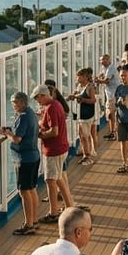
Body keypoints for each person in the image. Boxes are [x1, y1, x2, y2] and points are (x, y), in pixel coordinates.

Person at [34, 84, 80, 224]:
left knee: (50, 181)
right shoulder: (56, 105)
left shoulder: (52, 108)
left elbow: (54, 131)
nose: (37, 101)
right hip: (61, 148)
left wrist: (39, 134)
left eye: (38, 98)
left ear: (43, 95)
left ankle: (53, 212)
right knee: (59, 178)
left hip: (54, 150)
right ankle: (69, 205)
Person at [0, 91, 41, 234]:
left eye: (15, 102)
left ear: (23, 102)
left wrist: (6, 134)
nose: (13, 105)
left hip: (25, 159)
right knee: (32, 188)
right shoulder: (30, 113)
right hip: (34, 156)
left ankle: (28, 225)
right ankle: (34, 221)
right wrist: (10, 131)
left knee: (24, 191)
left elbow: (17, 139)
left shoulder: (23, 117)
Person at [70, 68, 99, 164]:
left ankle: (88, 156)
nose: (77, 78)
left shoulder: (89, 87)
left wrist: (82, 99)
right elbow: (76, 94)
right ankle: (85, 153)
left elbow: (93, 100)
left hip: (87, 116)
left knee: (85, 136)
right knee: (81, 135)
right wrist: (73, 96)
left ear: (85, 77)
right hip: (80, 115)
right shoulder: (79, 86)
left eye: (79, 76)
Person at [96, 53, 120, 140]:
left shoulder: (111, 69)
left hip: (113, 95)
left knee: (111, 114)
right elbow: (101, 75)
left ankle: (114, 132)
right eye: (102, 59)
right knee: (110, 114)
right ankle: (112, 132)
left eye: (105, 59)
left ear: (109, 60)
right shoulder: (104, 68)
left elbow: (106, 81)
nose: (103, 61)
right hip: (109, 94)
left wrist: (97, 81)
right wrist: (99, 78)